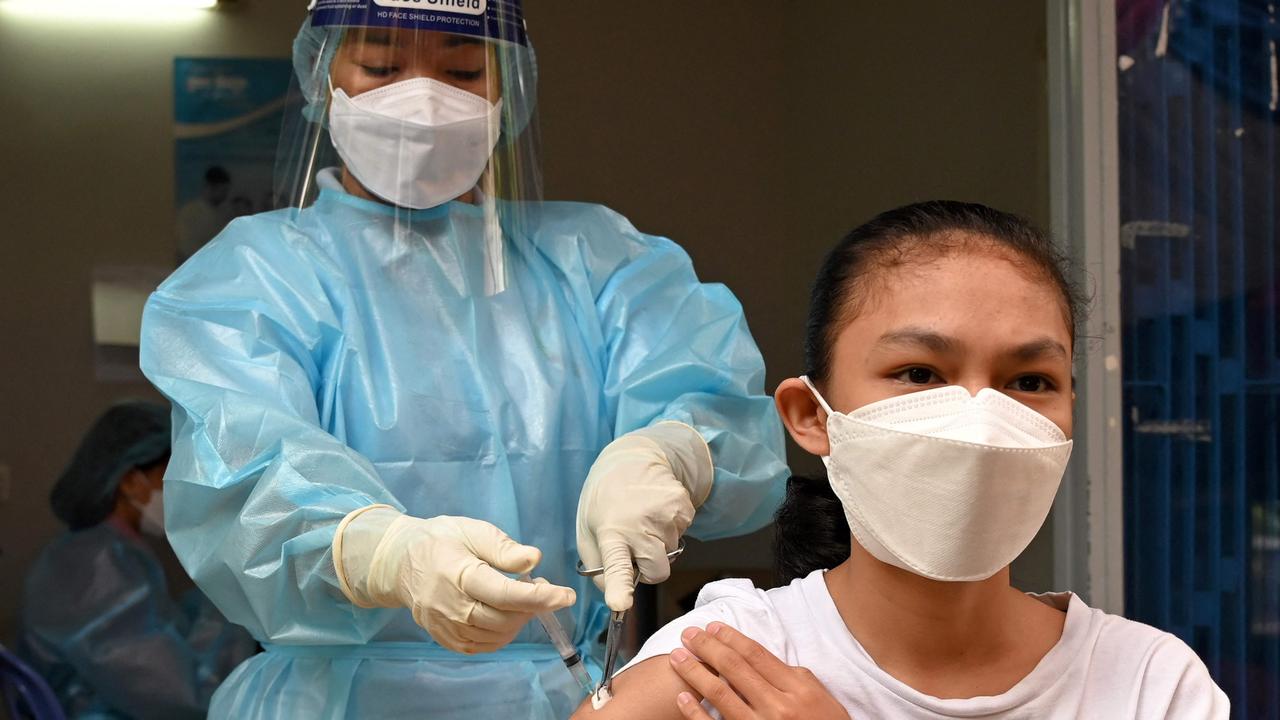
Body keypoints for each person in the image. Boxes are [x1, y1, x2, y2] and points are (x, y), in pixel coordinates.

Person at [137, 2, 787, 718]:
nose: (421, 101)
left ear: (509, 89)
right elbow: (243, 480)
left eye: (462, 70)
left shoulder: (599, 262)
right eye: (381, 67)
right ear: (322, 78)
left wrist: (674, 454)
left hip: (569, 697)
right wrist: (382, 555)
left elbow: (721, 416)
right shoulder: (255, 278)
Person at [577, 201, 1230, 719]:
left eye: (1030, 380)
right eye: (919, 372)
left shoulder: (1149, 684)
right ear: (811, 416)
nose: (979, 418)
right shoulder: (731, 663)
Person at [18, 401, 257, 720]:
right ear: (130, 481)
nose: (183, 492)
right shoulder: (96, 565)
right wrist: (234, 594)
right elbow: (184, 697)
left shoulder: (98, 552)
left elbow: (154, 641)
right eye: (171, 475)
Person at [175, 165, 232, 263]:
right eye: (223, 190)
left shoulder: (225, 213)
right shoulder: (190, 212)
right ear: (210, 187)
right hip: (196, 266)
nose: (225, 195)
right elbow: (186, 247)